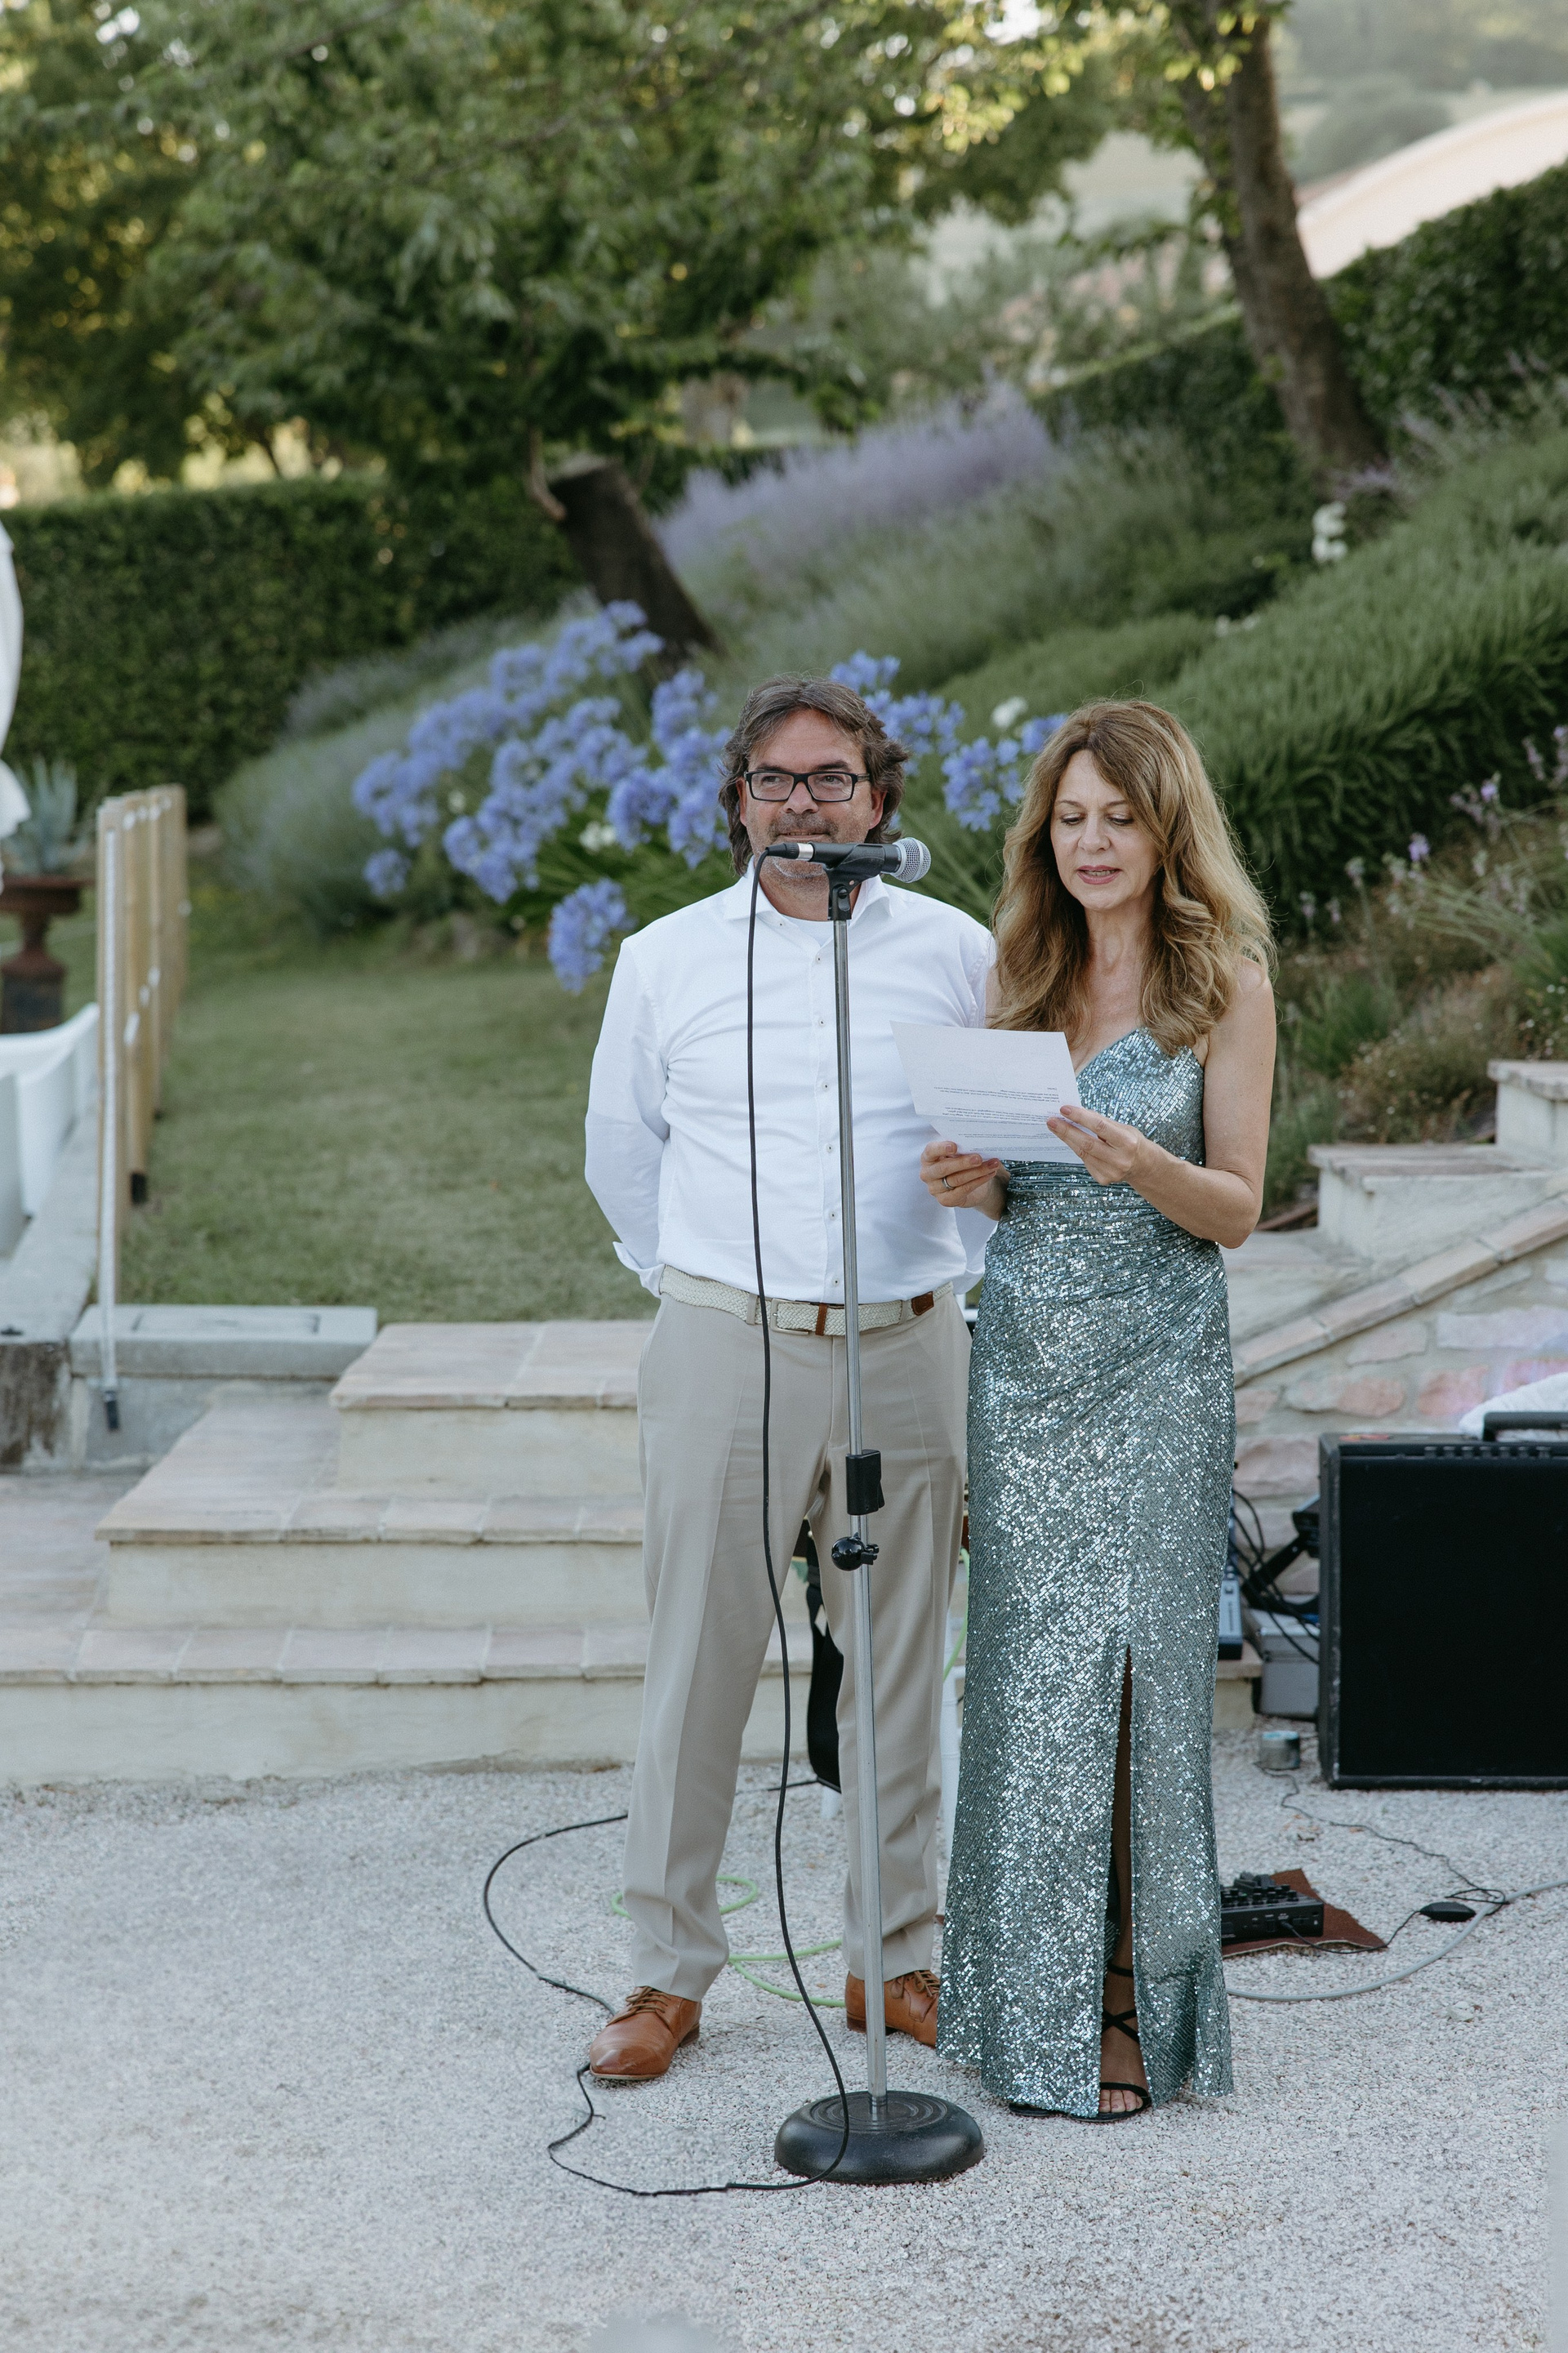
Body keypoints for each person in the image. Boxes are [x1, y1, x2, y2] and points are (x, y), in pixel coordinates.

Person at [582, 673, 993, 2083]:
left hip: (911, 1342)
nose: (803, 804)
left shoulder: (957, 951)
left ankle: (895, 1955)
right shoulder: (665, 960)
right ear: (738, 803)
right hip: (726, 1343)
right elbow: (623, 1157)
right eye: (775, 780)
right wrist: (708, 1290)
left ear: (879, 799)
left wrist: (948, 1267)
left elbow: (998, 1147)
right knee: (699, 1661)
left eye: (832, 779)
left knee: (898, 1664)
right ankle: (666, 1973)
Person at [924, 699, 1276, 2121]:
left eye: (1118, 817)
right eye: (1070, 819)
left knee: (1134, 1682)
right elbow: (1017, 1188)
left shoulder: (1225, 984)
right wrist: (977, 1184)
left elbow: (1238, 1208)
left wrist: (1145, 1164)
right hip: (1025, 1367)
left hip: (1157, 1370)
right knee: (1027, 1679)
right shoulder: (1023, 970)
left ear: (1166, 827)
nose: (1091, 842)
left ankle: (1129, 1999)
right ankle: (1021, 2001)